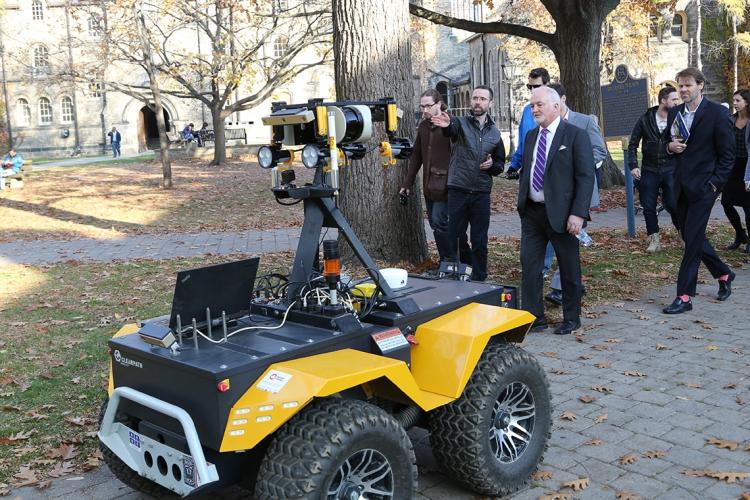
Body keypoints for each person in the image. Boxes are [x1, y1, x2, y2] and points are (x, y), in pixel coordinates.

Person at [517, 86, 595, 335]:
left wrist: (579, 214)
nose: (535, 109)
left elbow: (585, 176)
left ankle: (572, 317)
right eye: (532, 105)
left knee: (569, 266)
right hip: (532, 213)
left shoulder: (574, 135)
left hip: (563, 216)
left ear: (555, 106)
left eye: (539, 104)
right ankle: (534, 317)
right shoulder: (531, 136)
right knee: (530, 266)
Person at [662, 67, 736, 314]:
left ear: (700, 85)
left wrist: (715, 185)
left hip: (705, 188)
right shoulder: (675, 113)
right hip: (678, 186)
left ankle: (684, 296)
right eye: (680, 86)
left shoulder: (717, 113)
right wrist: (670, 147)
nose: (683, 90)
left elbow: (728, 156)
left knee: (691, 240)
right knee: (694, 236)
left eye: (688, 85)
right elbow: (665, 143)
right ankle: (724, 274)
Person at [431, 85, 506, 281]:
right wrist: (447, 125)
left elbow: (500, 165)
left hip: (481, 193)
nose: (477, 102)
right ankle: (461, 270)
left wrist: (491, 165)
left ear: (490, 103)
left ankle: (479, 277)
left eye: (482, 99)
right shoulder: (460, 123)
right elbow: (450, 129)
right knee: (456, 236)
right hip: (459, 189)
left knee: (479, 240)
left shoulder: (495, 133)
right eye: (475, 98)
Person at [544, 82, 607, 307]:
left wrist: (580, 166)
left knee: (571, 238)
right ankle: (574, 283)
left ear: (562, 99)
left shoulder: (584, 121)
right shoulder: (544, 125)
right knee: (561, 239)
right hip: (553, 194)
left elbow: (600, 150)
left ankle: (561, 288)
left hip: (579, 193)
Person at [401, 89, 468, 263]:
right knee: (435, 224)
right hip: (429, 185)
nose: (424, 110)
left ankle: (451, 261)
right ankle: (447, 261)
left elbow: (462, 146)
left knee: (440, 223)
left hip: (447, 186)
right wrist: (407, 183)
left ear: (439, 104)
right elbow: (416, 156)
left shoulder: (451, 123)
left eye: (428, 106)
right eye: (422, 106)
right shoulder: (423, 126)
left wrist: (449, 126)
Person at [627, 86, 682, 253]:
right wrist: (633, 165)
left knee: (673, 204)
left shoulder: (678, 118)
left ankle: (683, 233)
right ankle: (654, 239)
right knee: (648, 206)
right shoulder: (645, 119)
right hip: (649, 169)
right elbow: (633, 144)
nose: (677, 102)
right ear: (663, 100)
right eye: (674, 99)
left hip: (671, 168)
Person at [721, 89, 750, 254]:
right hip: (731, 166)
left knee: (748, 206)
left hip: (747, 166)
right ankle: (740, 234)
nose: (735, 103)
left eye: (738, 100)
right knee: (726, 202)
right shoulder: (730, 119)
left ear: (746, 102)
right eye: (734, 100)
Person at [507, 68, 550, 176]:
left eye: (536, 86)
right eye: (530, 87)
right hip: (529, 172)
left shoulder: (557, 109)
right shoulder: (527, 111)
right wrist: (513, 166)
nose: (533, 90)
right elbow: (522, 143)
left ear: (547, 84)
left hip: (552, 172)